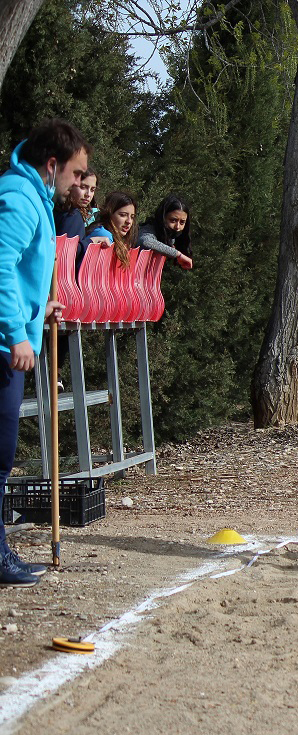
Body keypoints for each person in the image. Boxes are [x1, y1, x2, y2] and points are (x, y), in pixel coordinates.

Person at [0, 118, 88, 585]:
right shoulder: (18, 197)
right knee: (0, 453)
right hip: (3, 349)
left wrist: (39, 309)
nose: (79, 185)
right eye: (76, 174)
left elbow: (19, 276)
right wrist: (16, 333)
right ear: (52, 165)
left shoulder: (32, 196)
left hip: (16, 335)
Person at [136, 194, 194, 270]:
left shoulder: (170, 238)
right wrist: (178, 254)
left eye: (182, 222)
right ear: (163, 218)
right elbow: (146, 242)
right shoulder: (148, 229)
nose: (177, 227)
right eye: (173, 220)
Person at [81, 191, 137, 267]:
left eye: (132, 217)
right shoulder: (104, 235)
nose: (129, 221)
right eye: (123, 215)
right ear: (109, 214)